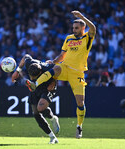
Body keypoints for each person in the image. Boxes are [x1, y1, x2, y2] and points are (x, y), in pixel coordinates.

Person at [26, 10, 96, 139]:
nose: (74, 30)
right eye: (73, 28)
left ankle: (79, 127)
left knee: (80, 103)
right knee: (55, 68)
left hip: (77, 73)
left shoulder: (87, 38)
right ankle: (35, 84)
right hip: (64, 68)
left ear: (82, 28)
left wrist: (82, 17)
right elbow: (62, 55)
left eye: (76, 28)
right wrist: (52, 61)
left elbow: (93, 28)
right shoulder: (69, 38)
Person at [11, 54, 60, 144]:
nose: (32, 78)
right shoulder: (29, 63)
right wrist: (17, 71)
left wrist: (54, 81)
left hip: (47, 87)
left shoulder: (47, 67)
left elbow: (58, 68)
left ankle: (53, 119)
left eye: (34, 77)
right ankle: (52, 137)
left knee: (40, 108)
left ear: (40, 72)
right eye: (31, 76)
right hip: (34, 87)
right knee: (36, 113)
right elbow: (25, 56)